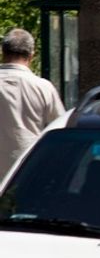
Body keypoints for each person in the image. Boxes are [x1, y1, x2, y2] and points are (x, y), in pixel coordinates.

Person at [0, 28, 65, 179]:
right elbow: (59, 127)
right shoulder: (43, 87)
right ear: (31, 55)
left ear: (3, 52)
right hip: (27, 168)